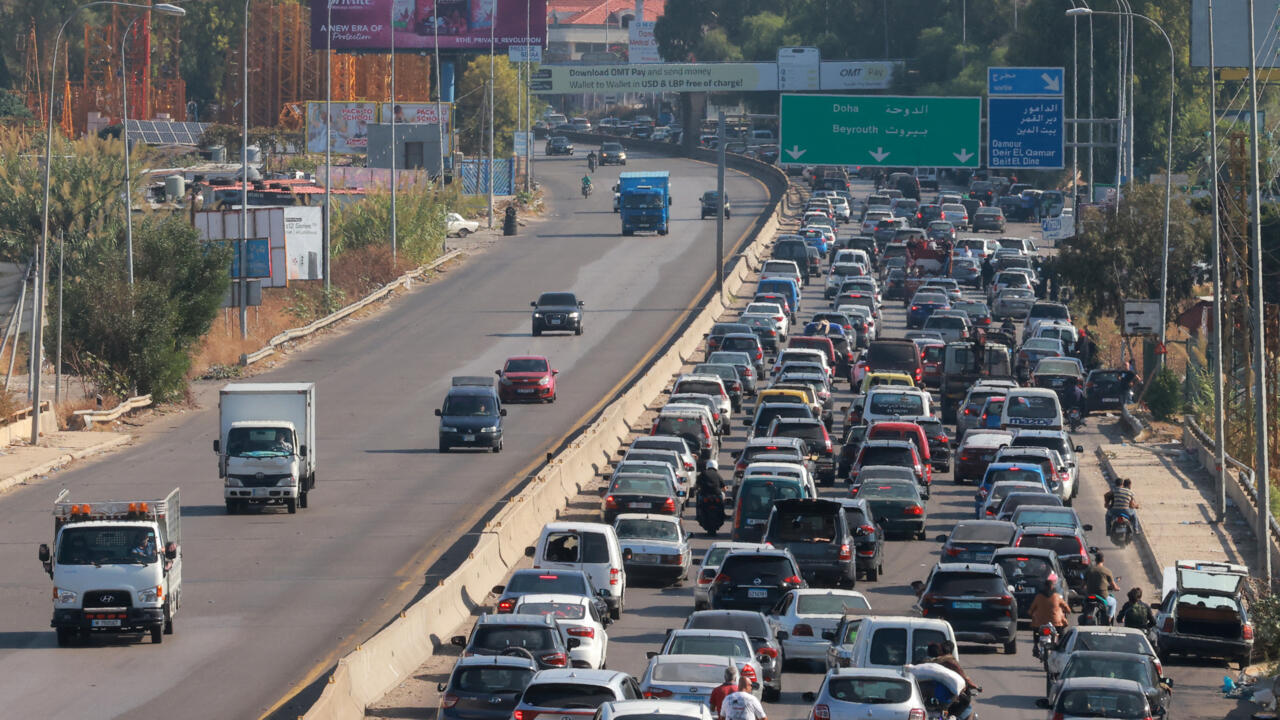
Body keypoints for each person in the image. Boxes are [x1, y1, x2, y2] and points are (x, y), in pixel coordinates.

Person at [1084, 551, 1120, 622]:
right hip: (1103, 596)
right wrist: (1117, 588)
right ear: (1103, 560)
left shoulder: (1089, 570)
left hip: (1090, 596)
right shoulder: (1107, 571)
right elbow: (1113, 586)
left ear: (1095, 560)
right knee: (1114, 602)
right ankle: (1109, 619)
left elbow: (1083, 584)